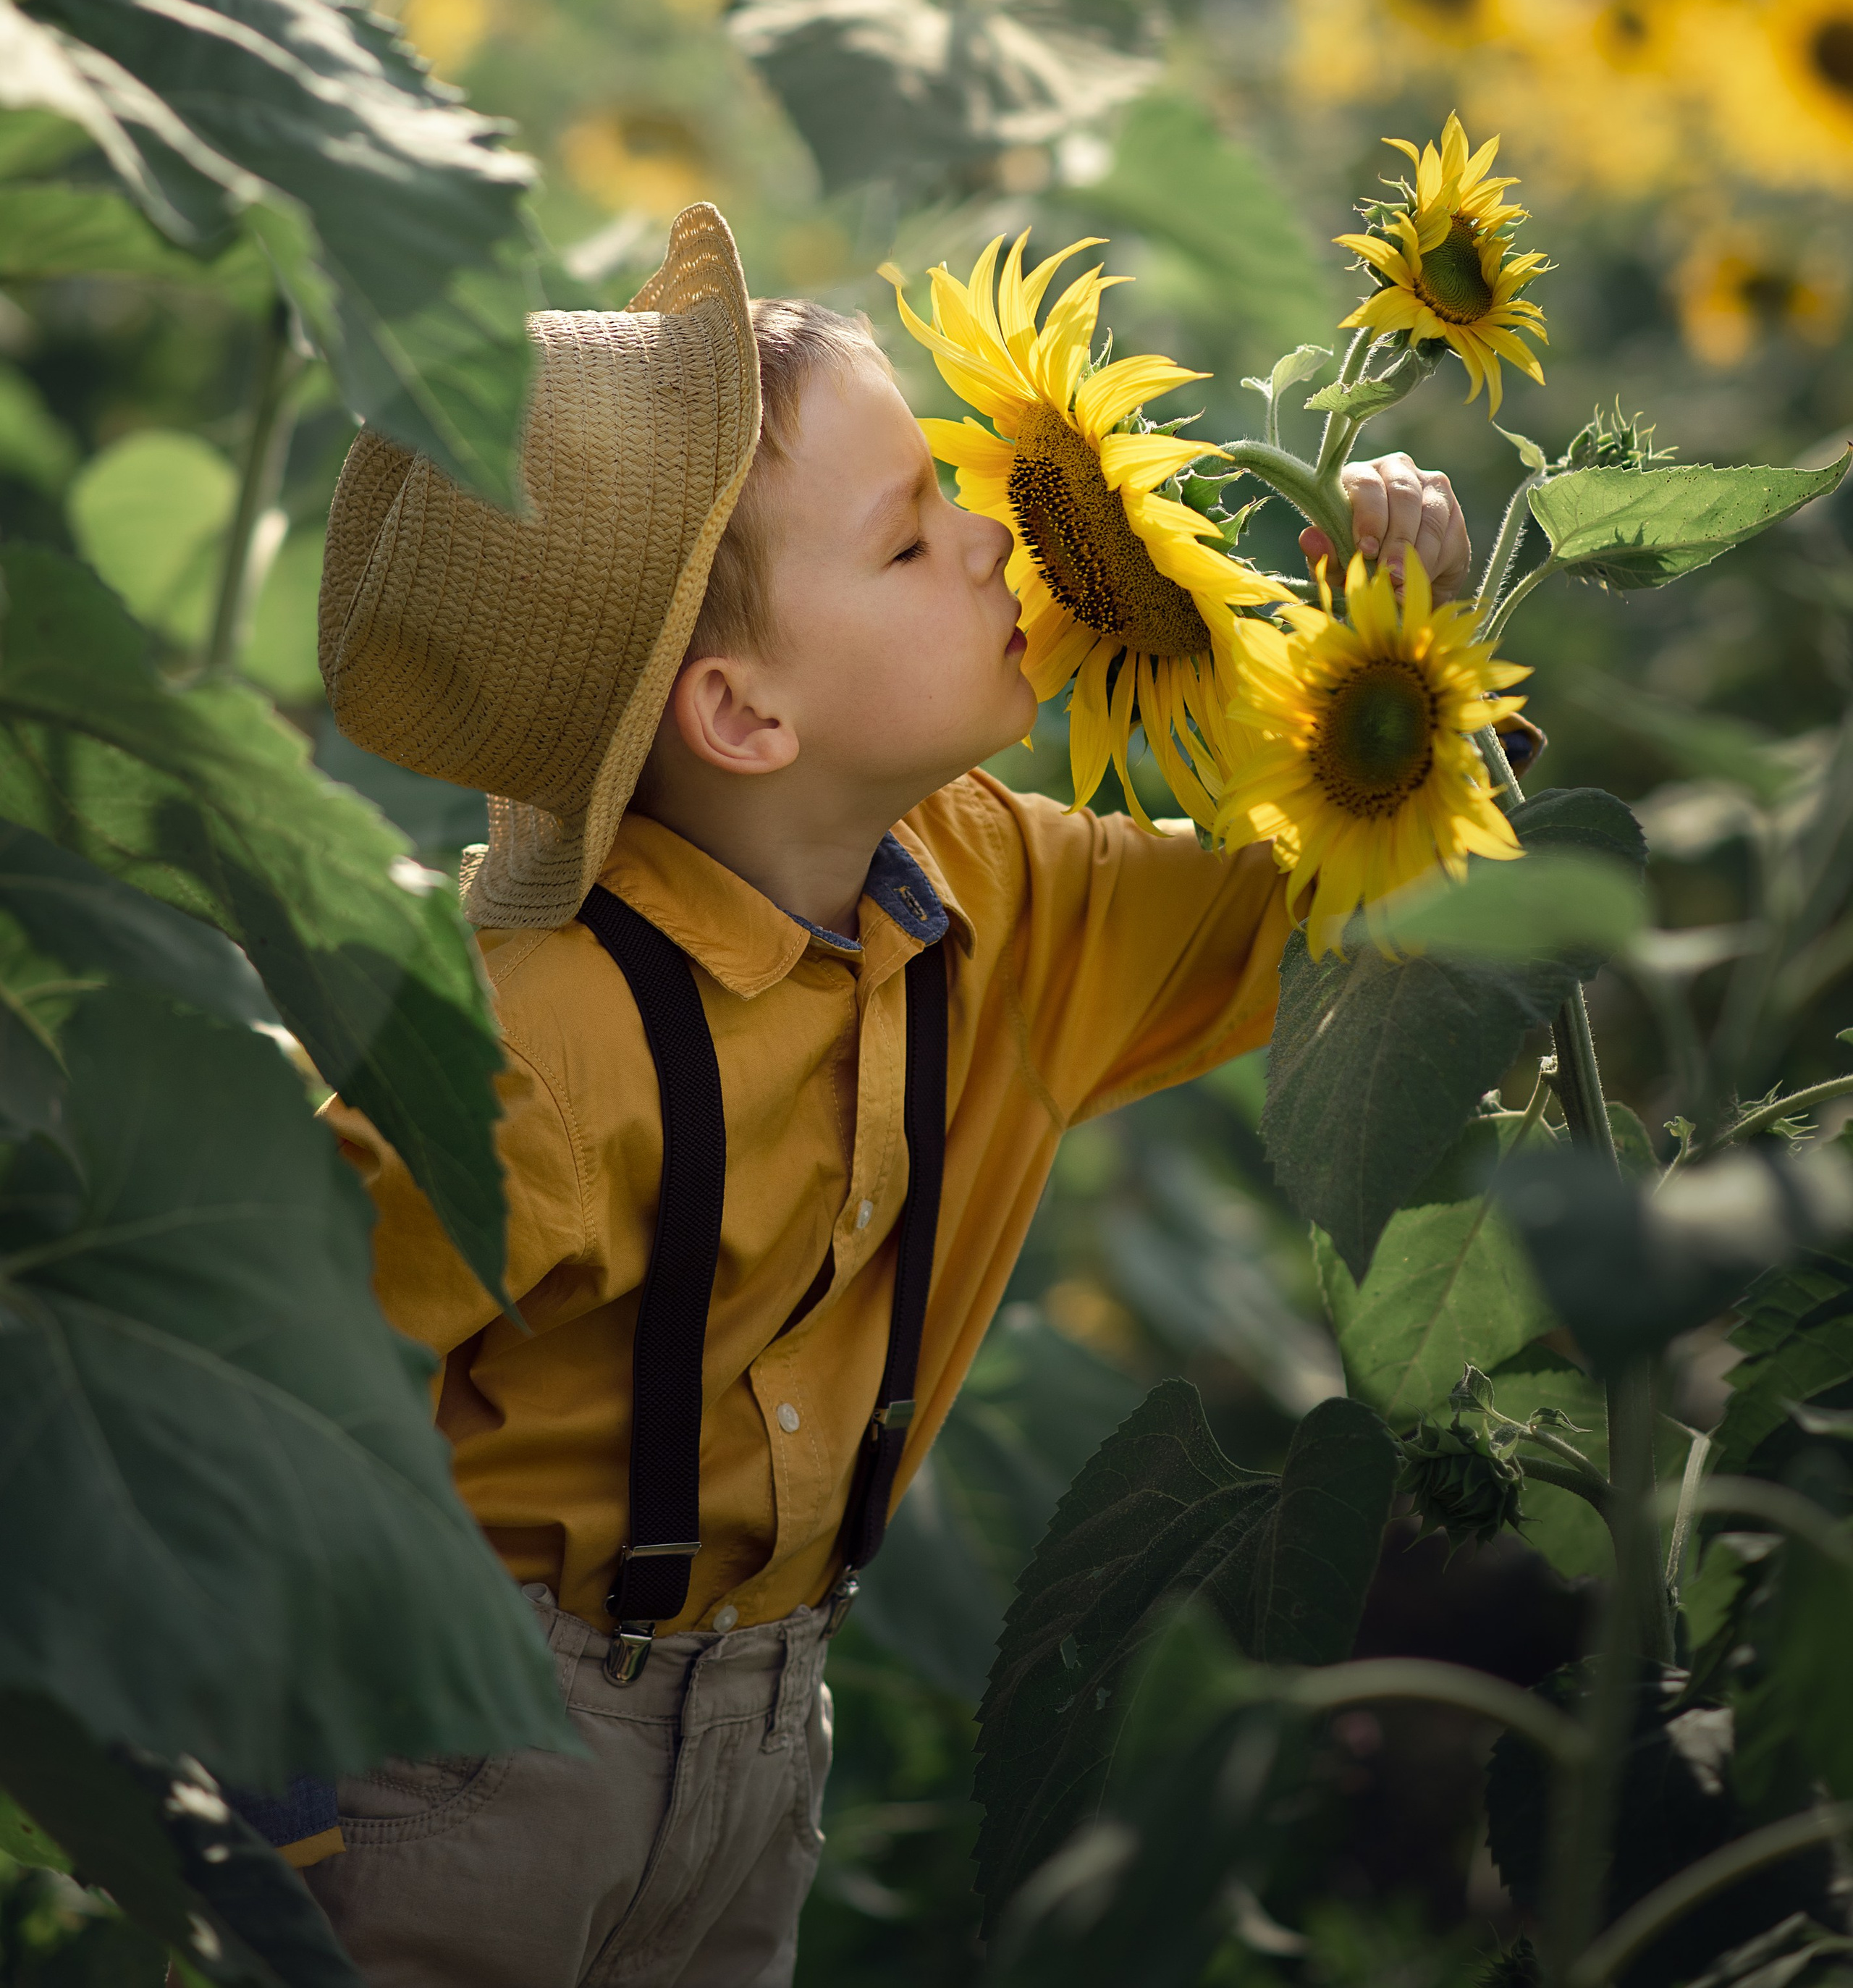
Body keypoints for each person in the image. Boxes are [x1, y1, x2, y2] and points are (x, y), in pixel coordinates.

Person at [304, 204, 1471, 1987]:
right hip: (465, 1749)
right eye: (912, 536)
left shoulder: (997, 884)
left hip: (770, 1727)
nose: (999, 529)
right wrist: (273, 1795)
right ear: (741, 711)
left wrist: (1394, 649)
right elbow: (286, 1374)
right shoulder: (528, 1045)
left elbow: (1313, 899)